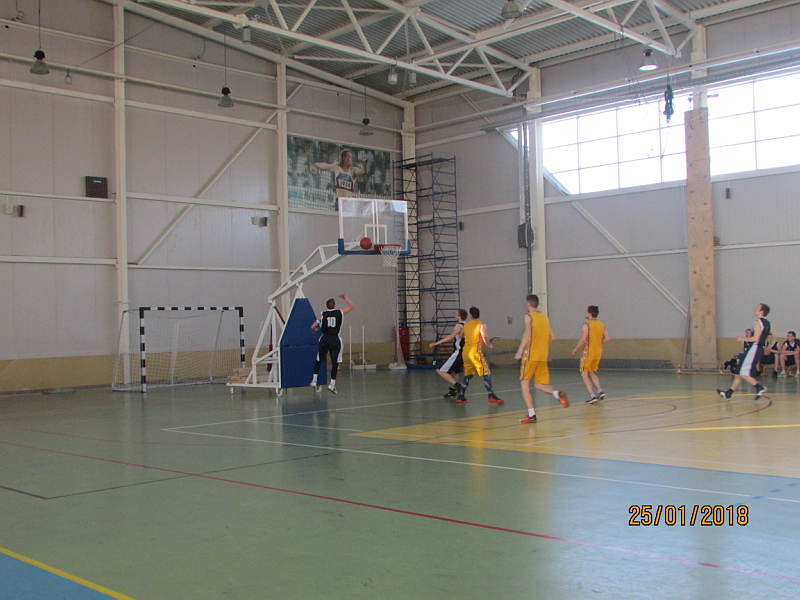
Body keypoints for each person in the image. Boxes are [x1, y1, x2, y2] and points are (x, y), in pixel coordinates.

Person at [515, 294, 569, 423]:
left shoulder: (529, 316)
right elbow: (553, 337)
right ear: (537, 304)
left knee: (524, 383)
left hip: (530, 355)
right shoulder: (545, 318)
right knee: (539, 384)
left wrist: (520, 350)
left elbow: (527, 333)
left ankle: (531, 414)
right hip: (542, 356)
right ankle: (557, 394)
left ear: (528, 304)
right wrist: (542, 346)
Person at [717, 303, 771, 400]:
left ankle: (759, 387)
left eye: (757, 307)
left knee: (742, 372)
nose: (755, 309)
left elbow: (756, 338)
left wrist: (742, 339)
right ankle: (728, 393)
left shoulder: (758, 322)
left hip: (755, 348)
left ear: (761, 311)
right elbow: (771, 335)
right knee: (739, 372)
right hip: (759, 349)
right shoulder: (767, 322)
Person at [455, 307, 504, 405]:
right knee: (486, 373)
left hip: (466, 352)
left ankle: (461, 396)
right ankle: (491, 395)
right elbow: (484, 336)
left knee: (468, 374)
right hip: (475, 353)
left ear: (471, 315)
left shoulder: (466, 325)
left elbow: (460, 336)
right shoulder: (481, 324)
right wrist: (489, 344)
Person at [310, 294, 355, 394]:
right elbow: (351, 306)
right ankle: (332, 384)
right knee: (335, 362)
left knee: (319, 359)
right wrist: (345, 298)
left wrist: (315, 328)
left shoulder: (323, 314)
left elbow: (314, 325)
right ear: (334, 305)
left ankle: (314, 380)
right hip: (335, 339)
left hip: (324, 338)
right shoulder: (339, 312)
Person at [571, 305, 611, 404]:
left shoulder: (587, 324)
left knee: (584, 374)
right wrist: (598, 343)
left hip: (588, 352)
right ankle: (600, 391)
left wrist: (576, 348)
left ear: (589, 313)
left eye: (586, 311)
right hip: (598, 352)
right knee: (591, 372)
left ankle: (592, 395)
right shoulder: (601, 324)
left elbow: (584, 338)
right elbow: (607, 338)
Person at [429, 309, 467, 398]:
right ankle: (453, 390)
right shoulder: (468, 325)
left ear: (459, 316)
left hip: (459, 352)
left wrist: (437, 343)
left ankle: (457, 386)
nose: (455, 316)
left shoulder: (458, 326)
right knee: (455, 372)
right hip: (466, 352)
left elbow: (451, 336)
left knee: (440, 370)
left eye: (456, 314)